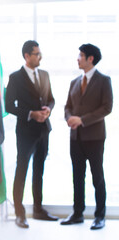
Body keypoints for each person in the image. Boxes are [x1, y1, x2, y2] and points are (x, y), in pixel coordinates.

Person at [5, 40, 57, 229]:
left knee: (39, 171)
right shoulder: (16, 77)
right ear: (27, 56)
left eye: (40, 53)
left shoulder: (44, 74)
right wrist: (31, 114)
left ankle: (38, 209)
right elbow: (9, 105)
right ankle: (20, 214)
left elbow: (51, 99)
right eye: (36, 53)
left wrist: (48, 110)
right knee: (22, 171)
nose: (40, 56)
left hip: (44, 131)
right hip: (26, 132)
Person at [62, 43, 113, 230]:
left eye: (81, 55)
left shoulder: (104, 80)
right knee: (77, 176)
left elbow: (107, 108)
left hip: (95, 137)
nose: (78, 58)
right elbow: (67, 107)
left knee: (97, 176)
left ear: (91, 58)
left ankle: (100, 216)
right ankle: (77, 213)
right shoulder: (74, 82)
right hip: (75, 138)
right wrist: (69, 119)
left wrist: (81, 119)